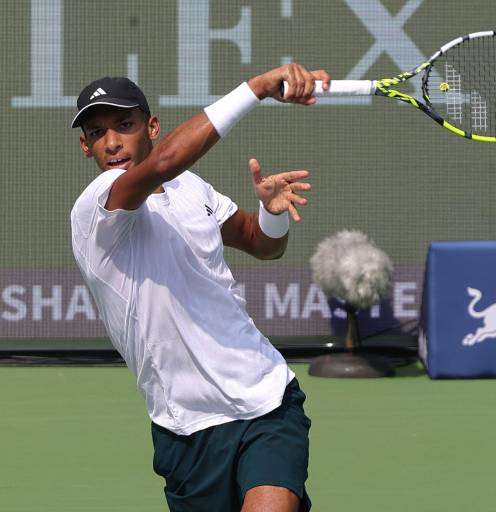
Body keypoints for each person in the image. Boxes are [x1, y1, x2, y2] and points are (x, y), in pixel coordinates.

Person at [70, 64, 330, 512]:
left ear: (152, 127)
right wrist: (256, 89)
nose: (111, 142)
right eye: (97, 133)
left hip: (265, 399)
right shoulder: (97, 205)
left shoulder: (191, 188)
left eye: (125, 125)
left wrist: (272, 213)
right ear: (85, 146)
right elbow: (165, 161)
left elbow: (260, 243)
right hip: (184, 431)